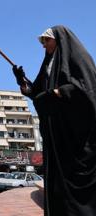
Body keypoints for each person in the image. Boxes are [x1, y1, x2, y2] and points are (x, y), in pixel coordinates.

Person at [12, 25, 96, 216]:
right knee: (56, 182)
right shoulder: (48, 64)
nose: (44, 45)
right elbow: (38, 93)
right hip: (56, 135)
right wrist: (22, 82)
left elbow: (88, 88)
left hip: (76, 135)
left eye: (46, 40)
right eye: (42, 42)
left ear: (59, 39)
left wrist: (60, 92)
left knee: (76, 180)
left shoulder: (79, 58)